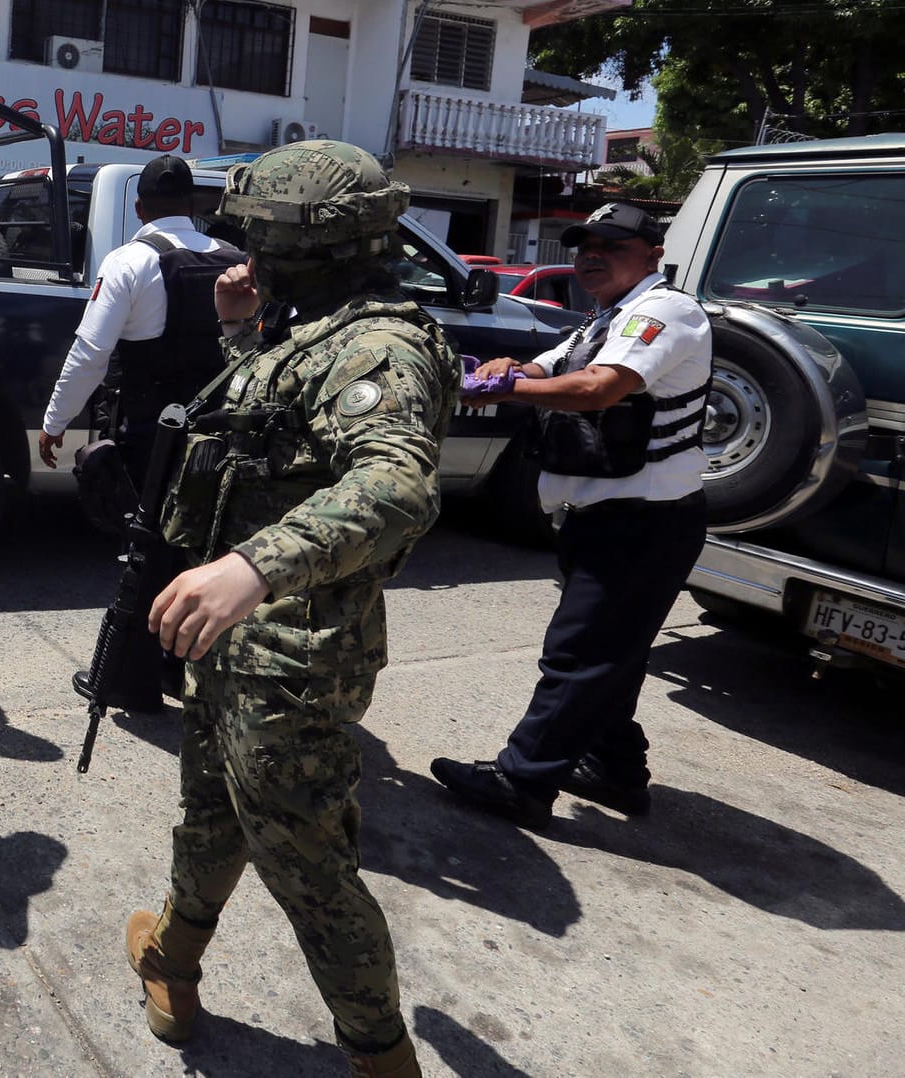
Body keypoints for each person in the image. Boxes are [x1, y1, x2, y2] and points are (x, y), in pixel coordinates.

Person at [125, 140, 457, 1078]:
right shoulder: (313, 326)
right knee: (209, 811)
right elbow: (281, 442)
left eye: (258, 243)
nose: (244, 257)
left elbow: (396, 483)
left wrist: (252, 567)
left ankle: (381, 1056)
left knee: (307, 868)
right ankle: (173, 962)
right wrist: (241, 334)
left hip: (292, 653)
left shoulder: (379, 343)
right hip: (237, 641)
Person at [430, 202, 711, 830]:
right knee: (614, 652)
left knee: (580, 653)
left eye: (612, 245)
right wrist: (512, 367)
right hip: (608, 513)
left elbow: (598, 388)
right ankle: (614, 768)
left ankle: (523, 780)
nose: (592, 254)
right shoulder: (608, 316)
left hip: (644, 518)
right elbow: (553, 365)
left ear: (651, 255)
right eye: (584, 244)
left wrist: (502, 388)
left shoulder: (664, 312)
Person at [43, 154, 245, 711]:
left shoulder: (131, 260)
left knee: (145, 555)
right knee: (201, 552)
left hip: (152, 437)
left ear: (139, 209)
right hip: (220, 437)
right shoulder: (235, 261)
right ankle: (180, 672)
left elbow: (90, 351)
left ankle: (130, 683)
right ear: (192, 207)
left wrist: (56, 421)